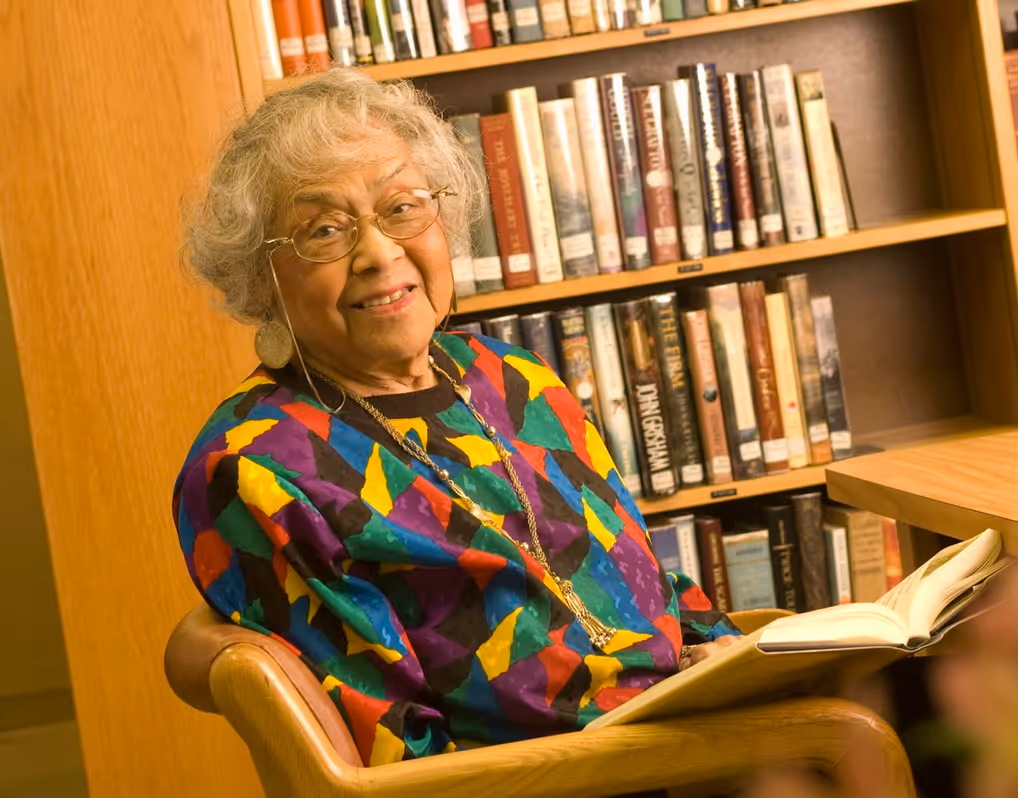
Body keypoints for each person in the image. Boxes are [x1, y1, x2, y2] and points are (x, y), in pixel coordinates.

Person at [174, 68, 738, 767]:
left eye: (402, 208)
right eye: (325, 230)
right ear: (264, 281)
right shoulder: (256, 469)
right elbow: (398, 757)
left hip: (698, 731)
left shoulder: (513, 376)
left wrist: (729, 653)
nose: (379, 253)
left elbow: (649, 587)